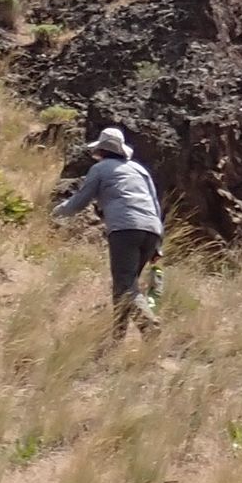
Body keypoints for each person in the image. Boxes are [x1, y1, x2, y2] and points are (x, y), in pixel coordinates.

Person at [52, 125, 164, 332]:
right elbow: (155, 204)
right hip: (152, 230)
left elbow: (79, 201)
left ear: (100, 150)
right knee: (126, 285)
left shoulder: (100, 169)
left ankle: (149, 325)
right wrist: (158, 245)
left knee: (124, 283)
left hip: (125, 229)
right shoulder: (140, 170)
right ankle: (118, 334)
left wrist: (54, 212)